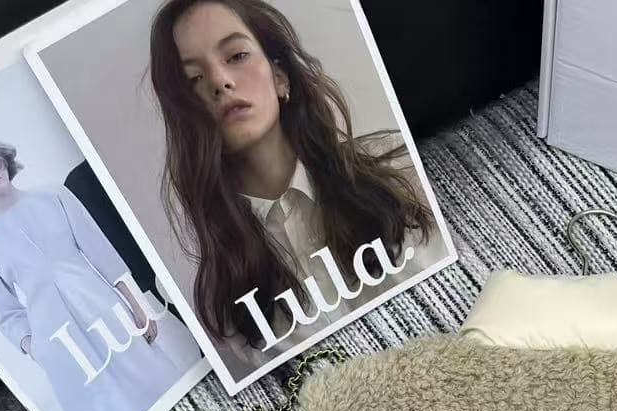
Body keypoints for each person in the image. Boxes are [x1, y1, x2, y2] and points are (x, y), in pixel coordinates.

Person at [149, 0, 448, 372]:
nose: (220, 82)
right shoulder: (225, 294)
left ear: (280, 77)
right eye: (194, 79)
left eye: (237, 56)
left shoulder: (397, 166)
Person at [0, 130, 199, 411]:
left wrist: (136, 304)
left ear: (3, 158)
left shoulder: (54, 195)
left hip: (104, 312)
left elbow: (100, 252)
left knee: (157, 387)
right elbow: (7, 312)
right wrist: (37, 349)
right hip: (60, 343)